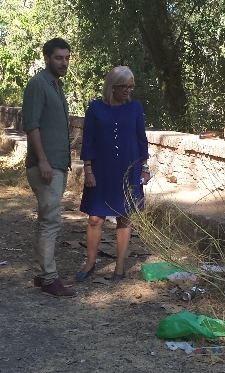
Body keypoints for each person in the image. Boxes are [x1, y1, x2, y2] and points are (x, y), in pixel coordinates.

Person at [76, 66, 151, 281]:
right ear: (112, 86)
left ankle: (119, 267)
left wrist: (145, 169)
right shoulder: (95, 108)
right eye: (123, 86)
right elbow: (88, 140)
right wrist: (88, 169)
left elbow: (140, 138)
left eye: (130, 86)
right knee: (94, 218)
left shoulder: (135, 108)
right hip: (101, 169)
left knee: (125, 217)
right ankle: (90, 262)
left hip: (129, 168)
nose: (128, 90)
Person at [22, 38, 76, 297]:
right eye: (58, 58)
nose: (63, 62)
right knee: (51, 221)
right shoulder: (38, 85)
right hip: (45, 166)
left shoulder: (56, 86)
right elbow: (31, 125)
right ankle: (48, 278)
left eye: (66, 58)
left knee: (47, 220)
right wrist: (43, 160)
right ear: (47, 58)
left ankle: (41, 273)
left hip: (57, 164)